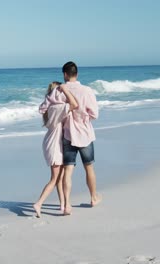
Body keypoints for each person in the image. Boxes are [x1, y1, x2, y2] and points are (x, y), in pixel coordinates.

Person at [60, 61, 101, 216]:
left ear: (65, 74)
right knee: (89, 167)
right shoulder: (87, 90)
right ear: (76, 74)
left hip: (67, 134)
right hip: (84, 134)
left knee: (68, 171)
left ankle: (67, 205)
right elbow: (94, 114)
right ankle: (93, 198)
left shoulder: (60, 91)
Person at [33, 81, 78, 218]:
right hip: (54, 145)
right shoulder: (57, 108)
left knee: (59, 178)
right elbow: (75, 104)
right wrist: (65, 90)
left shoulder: (49, 107)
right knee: (55, 179)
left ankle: (63, 205)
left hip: (51, 142)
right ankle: (39, 203)